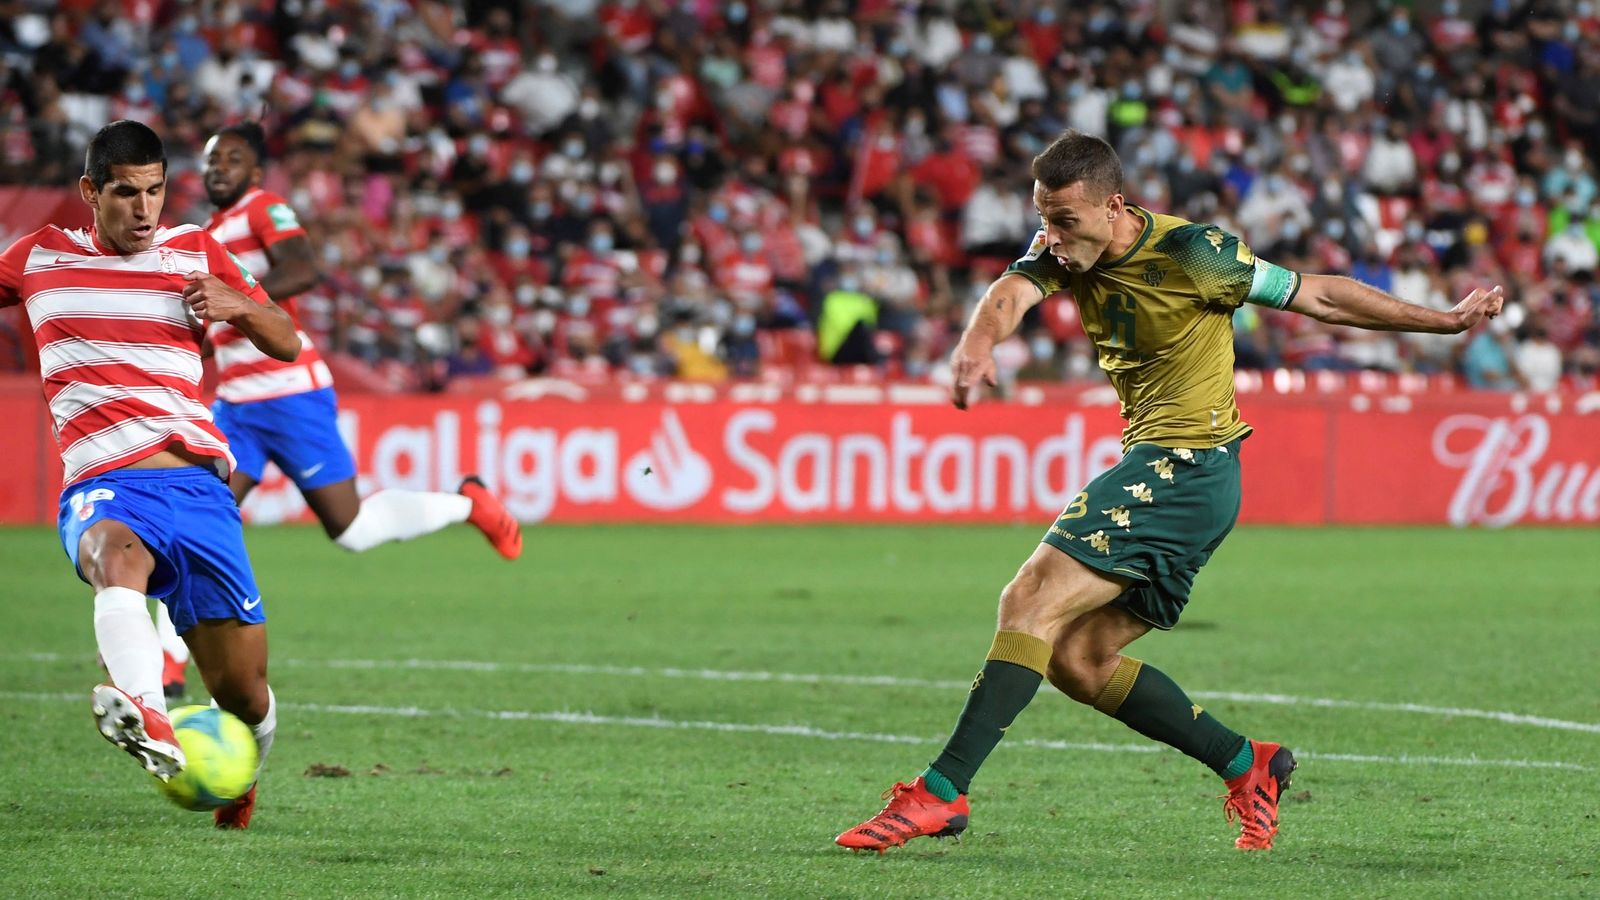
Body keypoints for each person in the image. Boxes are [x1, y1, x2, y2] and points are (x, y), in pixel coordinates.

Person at [835, 130, 1504, 854]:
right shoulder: (1062, 250)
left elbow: (1319, 296)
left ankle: (941, 793)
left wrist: (1443, 320)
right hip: (1177, 474)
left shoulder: (1196, 254)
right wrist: (977, 344)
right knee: (1078, 662)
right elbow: (1010, 293)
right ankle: (1249, 764)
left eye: (1066, 221)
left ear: (1114, 205)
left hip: (1188, 463)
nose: (1052, 238)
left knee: (1028, 599)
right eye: (1044, 219)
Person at [0, 120, 314, 828]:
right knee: (114, 555)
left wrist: (240, 305)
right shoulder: (38, 258)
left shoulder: (195, 250)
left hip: (200, 490)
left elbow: (288, 340)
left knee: (246, 694)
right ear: (89, 192)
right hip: (106, 482)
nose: (144, 209)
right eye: (124, 193)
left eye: (155, 191)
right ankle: (145, 708)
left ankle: (241, 776)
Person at [150, 122, 524, 698]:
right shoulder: (204, 236)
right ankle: (167, 665)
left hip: (291, 394)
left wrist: (239, 303)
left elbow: (303, 268)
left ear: (254, 172)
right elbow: (213, 325)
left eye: (232, 158)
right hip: (235, 407)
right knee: (194, 522)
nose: (218, 167)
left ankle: (466, 504)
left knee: (350, 530)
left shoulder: (262, 208)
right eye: (210, 159)